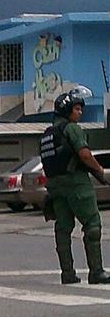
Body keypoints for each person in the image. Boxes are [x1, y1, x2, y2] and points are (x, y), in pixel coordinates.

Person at [41, 88, 110, 284]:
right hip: (76, 184)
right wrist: (99, 170)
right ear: (67, 110)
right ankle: (96, 272)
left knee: (63, 228)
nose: (80, 112)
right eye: (77, 108)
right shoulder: (72, 128)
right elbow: (84, 154)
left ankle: (67, 273)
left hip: (55, 187)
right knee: (92, 225)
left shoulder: (47, 134)